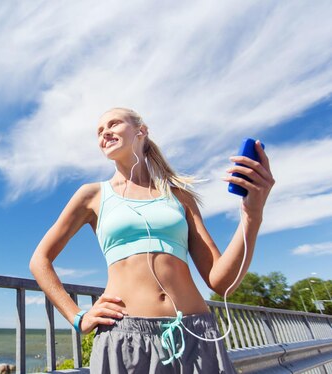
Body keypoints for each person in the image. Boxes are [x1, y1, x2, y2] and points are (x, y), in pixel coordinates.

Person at [29, 107, 274, 373]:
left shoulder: (179, 196)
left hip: (196, 335)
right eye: (99, 131)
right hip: (125, 336)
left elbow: (221, 281)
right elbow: (40, 260)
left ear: (141, 131)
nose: (105, 133)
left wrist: (252, 215)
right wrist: (78, 317)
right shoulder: (91, 196)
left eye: (113, 124)